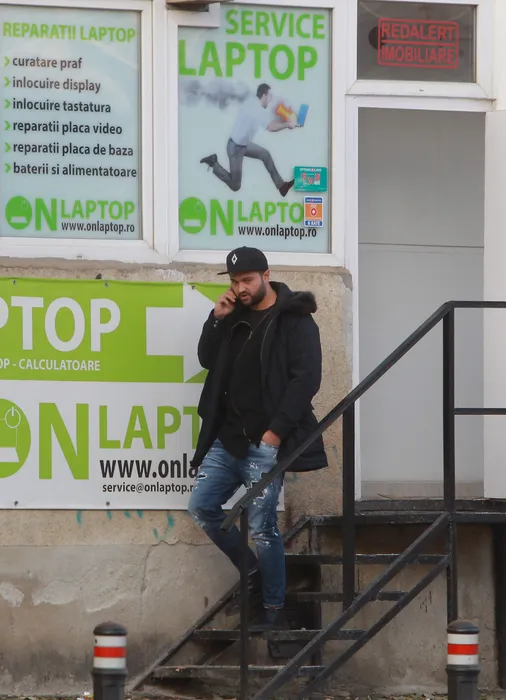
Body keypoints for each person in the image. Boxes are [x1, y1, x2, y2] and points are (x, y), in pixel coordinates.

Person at [187, 246, 328, 632]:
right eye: (235, 282)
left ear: (266, 275)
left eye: (247, 280)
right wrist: (216, 319)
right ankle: (254, 573)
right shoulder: (234, 315)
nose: (241, 288)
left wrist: (274, 433)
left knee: (264, 527)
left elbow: (306, 380)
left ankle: (273, 608)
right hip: (228, 438)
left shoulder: (296, 320)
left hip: (265, 442)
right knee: (202, 507)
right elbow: (206, 359)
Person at [199, 83, 296, 197]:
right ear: (264, 95)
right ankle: (213, 163)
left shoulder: (252, 103)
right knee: (235, 186)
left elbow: (269, 119)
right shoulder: (256, 110)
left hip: (244, 145)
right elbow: (271, 127)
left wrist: (286, 120)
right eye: (269, 96)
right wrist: (287, 124)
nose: (270, 100)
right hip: (235, 149)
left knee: (265, 154)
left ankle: (281, 186)